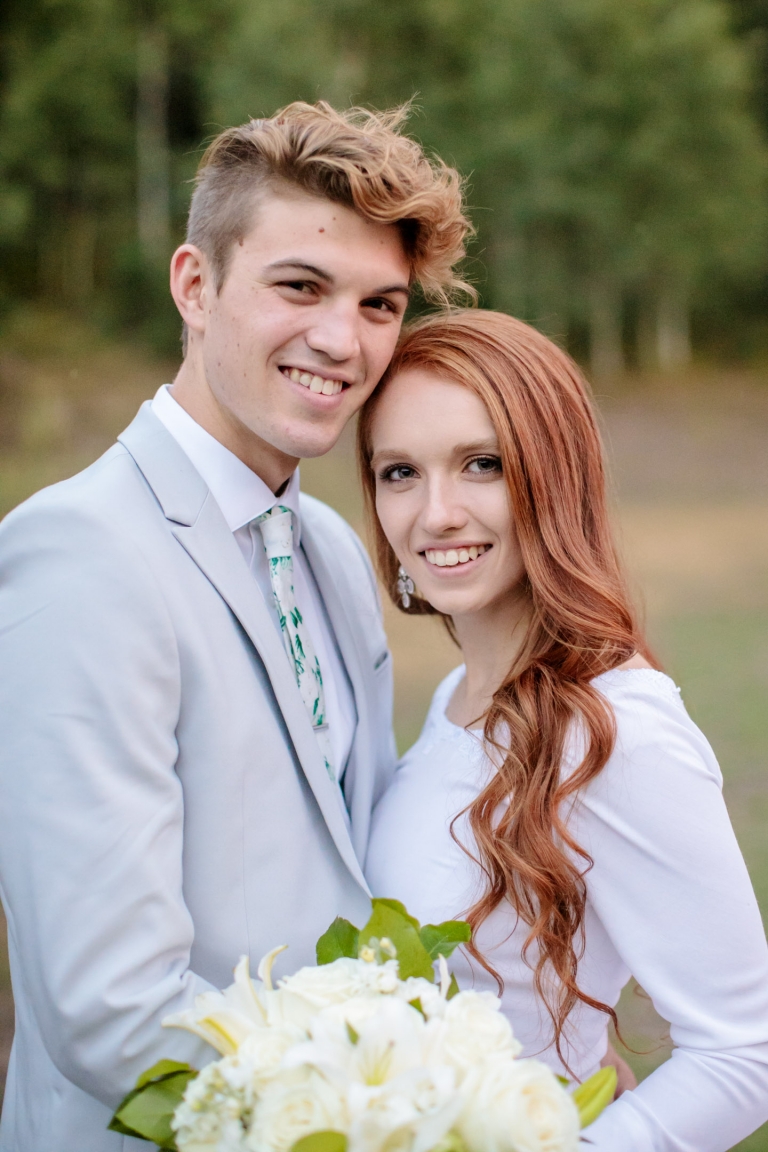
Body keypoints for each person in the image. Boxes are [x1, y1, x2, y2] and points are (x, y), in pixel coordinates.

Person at [0, 103, 471, 1151]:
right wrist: (396, 1115)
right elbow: (109, 1008)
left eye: (379, 304)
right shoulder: (79, 552)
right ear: (196, 286)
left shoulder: (337, 551)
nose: (342, 341)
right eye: (300, 286)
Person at [362, 309, 768, 1152]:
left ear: (555, 477)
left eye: (482, 464)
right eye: (399, 472)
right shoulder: (451, 699)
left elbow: (745, 1051)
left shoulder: (615, 729)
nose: (435, 513)